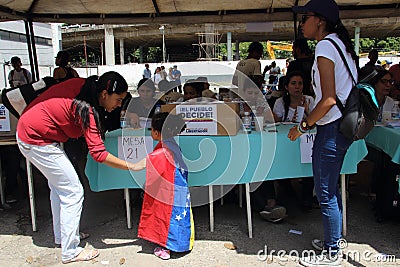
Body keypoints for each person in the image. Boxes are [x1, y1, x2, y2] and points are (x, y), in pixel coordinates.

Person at [16, 71, 146, 264]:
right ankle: (70, 251)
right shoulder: (86, 111)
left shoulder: (83, 85)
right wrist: (133, 166)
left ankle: (63, 237)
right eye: (118, 100)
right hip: (35, 140)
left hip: (33, 133)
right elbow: (99, 154)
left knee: (60, 188)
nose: (119, 105)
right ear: (104, 94)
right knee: (73, 192)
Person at [290, 1, 358, 266]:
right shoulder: (341, 45)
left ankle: (332, 254)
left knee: (326, 192)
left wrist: (303, 126)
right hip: (340, 128)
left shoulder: (326, 46)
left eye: (305, 17)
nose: (302, 23)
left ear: (320, 20)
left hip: (331, 128)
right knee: (332, 189)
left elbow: (328, 99)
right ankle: (334, 241)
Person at [138, 112, 194, 260]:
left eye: (151, 129)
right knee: (179, 218)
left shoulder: (162, 151)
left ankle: (166, 247)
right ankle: (181, 243)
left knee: (167, 218)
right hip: (179, 188)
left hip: (169, 192)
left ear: (156, 132)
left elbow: (145, 166)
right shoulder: (172, 144)